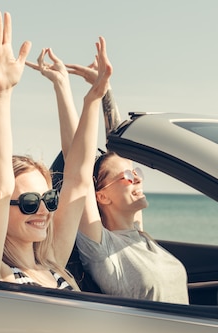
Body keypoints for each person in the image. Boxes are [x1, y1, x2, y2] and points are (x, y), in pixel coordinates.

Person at [0, 10, 112, 290]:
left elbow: (77, 179)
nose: (43, 210)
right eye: (29, 202)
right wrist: (0, 94)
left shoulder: (52, 261)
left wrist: (93, 100)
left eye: (49, 199)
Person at [27, 51, 189, 303]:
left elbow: (122, 150)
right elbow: (76, 166)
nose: (136, 178)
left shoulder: (138, 233)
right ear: (101, 196)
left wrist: (105, 89)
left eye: (136, 172)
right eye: (126, 175)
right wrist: (62, 85)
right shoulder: (102, 248)